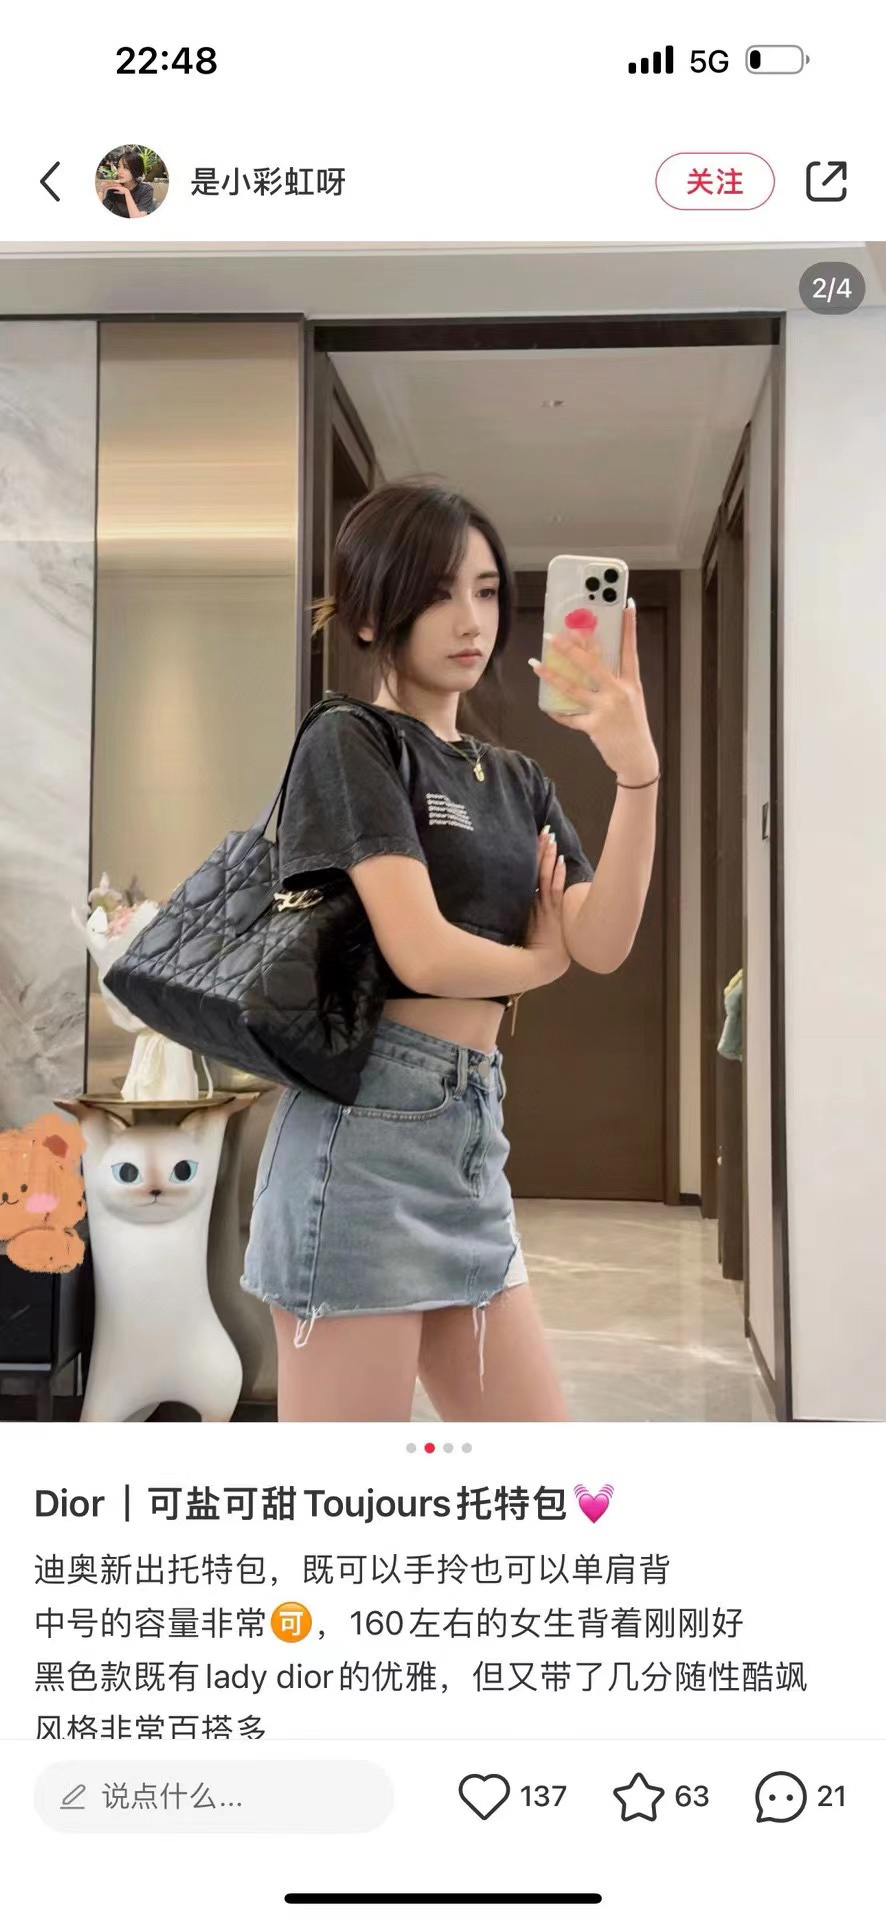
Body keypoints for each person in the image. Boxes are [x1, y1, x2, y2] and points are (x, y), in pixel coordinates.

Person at [240, 479, 661, 1422]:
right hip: (362, 1139)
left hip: (471, 1136)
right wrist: (537, 965)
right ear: (368, 615)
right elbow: (423, 953)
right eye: (438, 593)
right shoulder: (349, 741)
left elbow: (601, 941)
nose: (471, 619)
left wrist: (637, 773)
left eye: (486, 590)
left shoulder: (518, 778)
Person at [98, 152, 155, 219]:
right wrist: (101, 191)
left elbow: (137, 218)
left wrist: (126, 192)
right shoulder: (114, 189)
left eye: (125, 167)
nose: (120, 171)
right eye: (119, 166)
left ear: (135, 169)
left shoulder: (146, 190)